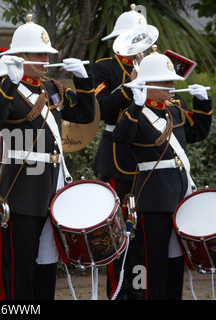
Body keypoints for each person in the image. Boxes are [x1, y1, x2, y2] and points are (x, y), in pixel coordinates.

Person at [0, 15, 95, 300]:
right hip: (21, 191)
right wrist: (10, 83)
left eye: (47, 54)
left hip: (52, 188)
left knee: (46, 265)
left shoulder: (52, 89)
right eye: (39, 54)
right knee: (19, 270)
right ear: (20, 56)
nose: (45, 60)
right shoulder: (6, 89)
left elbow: (84, 115)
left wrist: (83, 82)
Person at [112, 49, 212, 300]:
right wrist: (135, 106)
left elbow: (197, 133)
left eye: (172, 82)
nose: (171, 87)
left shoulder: (174, 110)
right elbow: (121, 137)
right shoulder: (136, 113)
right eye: (165, 82)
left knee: (175, 261)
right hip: (153, 199)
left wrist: (202, 104)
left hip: (178, 196)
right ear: (148, 84)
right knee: (153, 263)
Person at [90, 4, 150, 300]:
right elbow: (100, 109)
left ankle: (139, 292)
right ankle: (118, 293)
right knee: (122, 234)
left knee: (144, 237)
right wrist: (131, 87)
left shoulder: (153, 62)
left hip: (149, 158)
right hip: (117, 159)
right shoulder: (105, 68)